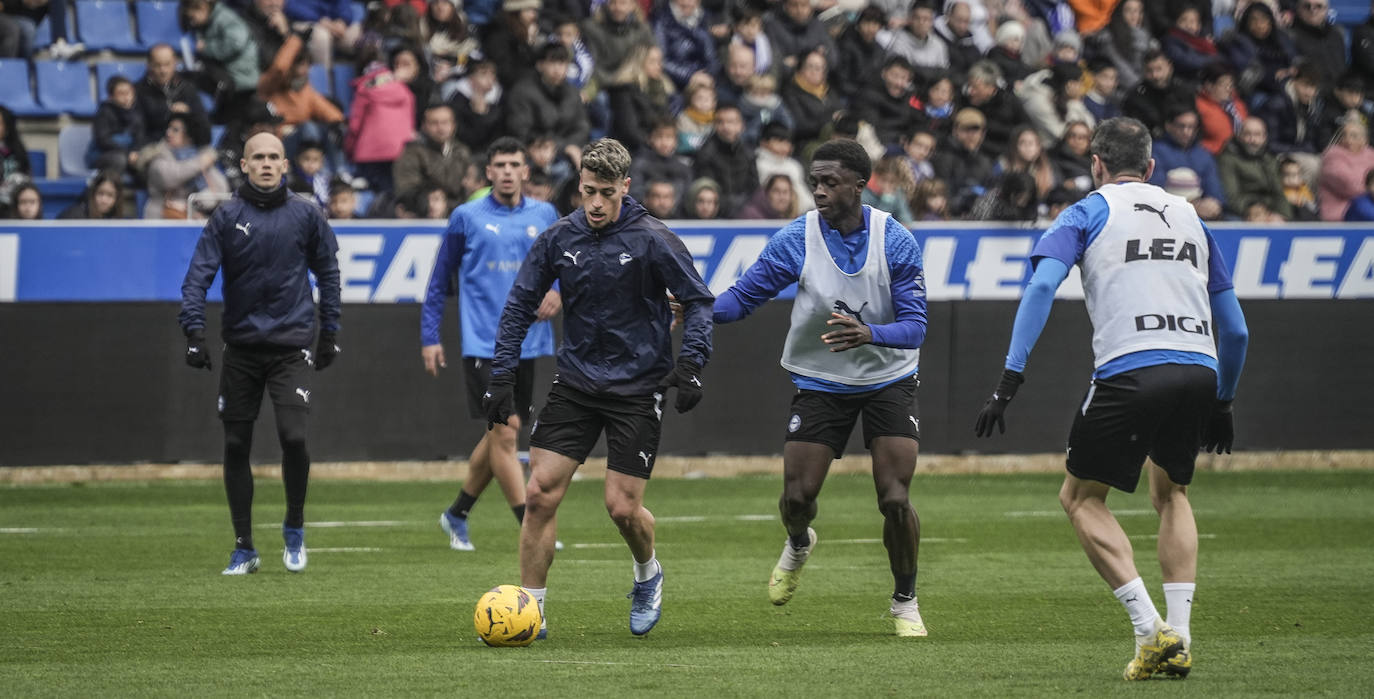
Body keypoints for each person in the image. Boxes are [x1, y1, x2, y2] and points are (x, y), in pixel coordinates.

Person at [972, 116, 1249, 680]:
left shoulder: (1087, 209)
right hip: (1199, 366)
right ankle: (1183, 636)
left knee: (1080, 499)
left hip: (1131, 368)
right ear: (1150, 168)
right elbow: (1238, 330)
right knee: (1172, 493)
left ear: (1095, 165)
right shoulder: (1193, 216)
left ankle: (1151, 631)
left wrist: (1009, 380)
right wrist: (1222, 401)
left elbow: (1043, 286)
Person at [485, 137, 713, 639]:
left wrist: (693, 363)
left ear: (625, 188)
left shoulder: (654, 238)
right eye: (587, 190)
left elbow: (697, 300)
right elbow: (520, 304)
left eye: (605, 193)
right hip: (576, 383)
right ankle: (532, 612)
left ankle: (648, 574)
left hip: (638, 388)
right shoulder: (558, 237)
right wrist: (501, 374)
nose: (594, 203)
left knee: (622, 507)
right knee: (541, 493)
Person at [713, 138, 930, 637]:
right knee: (796, 498)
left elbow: (916, 327)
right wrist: (696, 306)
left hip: (887, 377)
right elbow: (743, 298)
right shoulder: (797, 237)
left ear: (860, 185)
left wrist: (869, 333)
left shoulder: (894, 239)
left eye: (831, 182)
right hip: (822, 379)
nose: (820, 191)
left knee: (895, 498)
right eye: (815, 182)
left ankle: (905, 603)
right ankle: (798, 541)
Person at [178, 131, 342, 575]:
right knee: (235, 443)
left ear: (285, 165)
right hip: (242, 349)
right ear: (245, 166)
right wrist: (194, 331)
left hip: (291, 348)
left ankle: (294, 525)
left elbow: (329, 271)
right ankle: (244, 546)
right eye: (259, 157)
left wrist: (329, 332)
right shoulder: (226, 216)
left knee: (294, 437)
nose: (267, 164)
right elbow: (197, 278)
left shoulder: (306, 215)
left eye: (274, 157)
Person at [420, 137, 561, 552]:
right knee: (506, 433)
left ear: (525, 171)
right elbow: (438, 278)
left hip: (531, 342)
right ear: (488, 172)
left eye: (513, 164)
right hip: (485, 341)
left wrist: (558, 289)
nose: (506, 171)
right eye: (498, 164)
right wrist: (430, 336)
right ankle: (529, 523)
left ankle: (457, 513)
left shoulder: (545, 214)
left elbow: (564, 262)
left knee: (499, 434)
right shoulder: (466, 217)